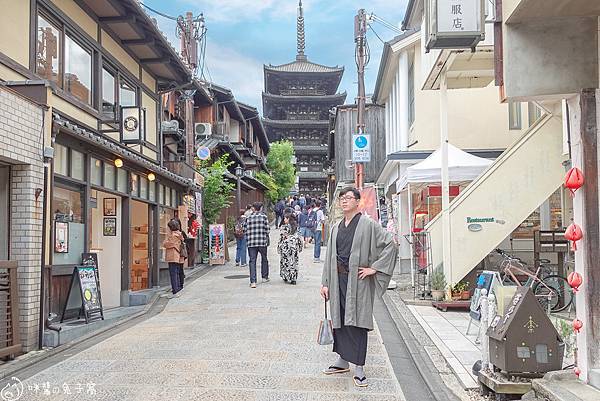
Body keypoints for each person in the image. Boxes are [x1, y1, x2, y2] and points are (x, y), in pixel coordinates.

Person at [320, 187, 397, 388]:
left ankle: (360, 367)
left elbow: (390, 244)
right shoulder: (336, 226)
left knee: (358, 321)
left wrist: (375, 268)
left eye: (348, 198)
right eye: (342, 198)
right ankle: (342, 360)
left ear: (357, 201)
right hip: (338, 280)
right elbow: (329, 257)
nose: (344, 201)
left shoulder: (368, 224)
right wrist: (325, 283)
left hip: (358, 282)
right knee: (341, 319)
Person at [245, 202, 270, 288]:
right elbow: (267, 230)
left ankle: (253, 282)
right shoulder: (264, 217)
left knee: (252, 261)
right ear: (260, 208)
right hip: (262, 242)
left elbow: (245, 229)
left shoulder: (248, 218)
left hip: (251, 242)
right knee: (264, 259)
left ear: (253, 208)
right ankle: (264, 277)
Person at [162, 219, 186, 298]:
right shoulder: (179, 234)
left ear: (171, 227)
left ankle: (175, 291)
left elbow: (165, 244)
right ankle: (178, 289)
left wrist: (167, 241)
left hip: (173, 256)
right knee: (177, 273)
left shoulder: (172, 236)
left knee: (173, 274)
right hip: (178, 256)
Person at [277, 212, 303, 285]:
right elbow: (299, 237)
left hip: (286, 247)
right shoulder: (296, 226)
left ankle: (286, 276)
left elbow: (281, 237)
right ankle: (293, 278)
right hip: (294, 247)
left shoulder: (284, 227)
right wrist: (300, 247)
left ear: (288, 219)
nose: (284, 219)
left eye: (285, 218)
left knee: (285, 262)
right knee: (293, 262)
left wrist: (278, 247)